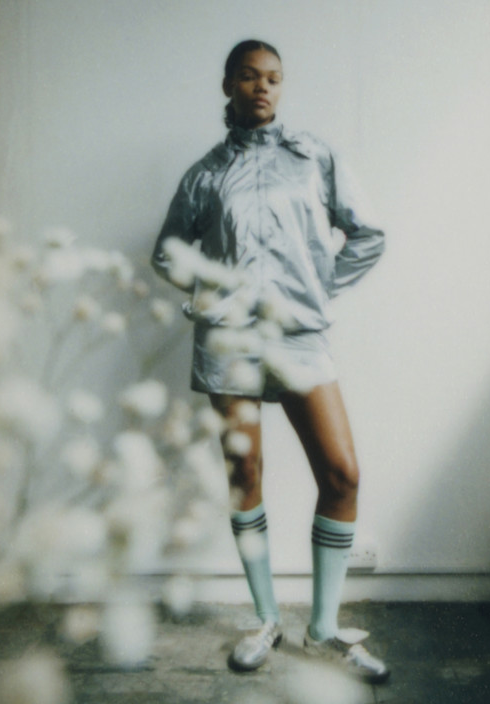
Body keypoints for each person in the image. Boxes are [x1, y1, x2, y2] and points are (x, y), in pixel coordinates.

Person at [152, 39, 389, 684]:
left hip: (297, 336)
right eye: (250, 76)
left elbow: (368, 234)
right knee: (245, 472)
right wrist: (206, 296)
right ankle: (265, 619)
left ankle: (324, 629)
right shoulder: (205, 174)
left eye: (275, 78)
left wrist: (316, 286)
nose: (263, 87)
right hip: (228, 340)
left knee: (342, 473)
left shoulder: (314, 160)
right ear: (228, 85)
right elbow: (169, 252)